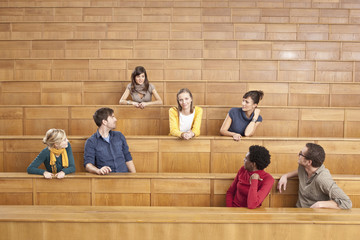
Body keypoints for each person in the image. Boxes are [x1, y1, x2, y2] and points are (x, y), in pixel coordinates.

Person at [277, 143, 352, 209]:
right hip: (298, 211)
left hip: (313, 216)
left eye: (301, 154)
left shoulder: (323, 179)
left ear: (309, 162)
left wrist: (321, 204)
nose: (298, 155)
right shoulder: (303, 167)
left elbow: (347, 202)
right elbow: (299, 172)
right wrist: (286, 176)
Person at [84, 107, 136, 175]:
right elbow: (88, 165)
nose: (115, 119)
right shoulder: (91, 141)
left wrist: (134, 176)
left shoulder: (119, 136)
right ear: (104, 122)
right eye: (112, 117)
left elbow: (128, 157)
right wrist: (98, 170)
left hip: (124, 176)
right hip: (106, 179)